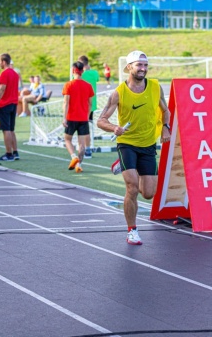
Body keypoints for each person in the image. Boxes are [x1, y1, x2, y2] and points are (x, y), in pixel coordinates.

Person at [97, 50, 171, 245]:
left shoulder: (155, 87)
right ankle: (132, 231)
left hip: (148, 145)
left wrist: (165, 127)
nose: (143, 69)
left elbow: (166, 110)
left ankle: (127, 166)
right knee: (132, 188)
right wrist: (114, 128)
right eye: (139, 65)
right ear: (129, 67)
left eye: (145, 65)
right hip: (127, 144)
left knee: (148, 193)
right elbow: (101, 120)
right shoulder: (119, 92)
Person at [62, 61, 94, 173]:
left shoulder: (69, 85)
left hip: (71, 117)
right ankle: (79, 165)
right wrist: (87, 115)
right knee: (82, 144)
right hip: (83, 118)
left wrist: (64, 118)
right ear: (82, 71)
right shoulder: (88, 86)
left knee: (67, 139)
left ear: (73, 70)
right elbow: (90, 103)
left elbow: (66, 102)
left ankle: (74, 157)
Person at [0, 53, 20, 161]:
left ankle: (8, 153)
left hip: (5, 104)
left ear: (4, 62)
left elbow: (2, 88)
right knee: (11, 129)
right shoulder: (15, 73)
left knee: (6, 129)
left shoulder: (4, 73)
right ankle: (15, 152)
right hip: (13, 103)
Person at [79, 55, 99, 158]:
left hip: (82, 104)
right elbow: (97, 79)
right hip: (92, 104)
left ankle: (86, 150)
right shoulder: (94, 73)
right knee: (86, 127)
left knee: (83, 128)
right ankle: (86, 148)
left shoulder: (80, 74)